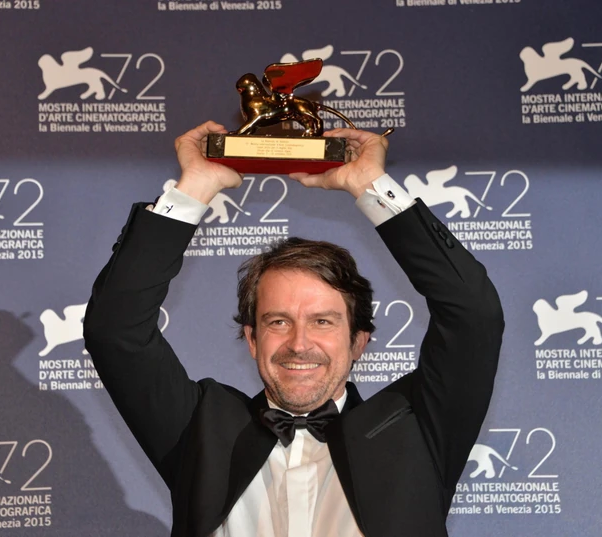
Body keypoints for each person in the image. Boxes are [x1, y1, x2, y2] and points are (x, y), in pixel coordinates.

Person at [83, 121, 504, 537]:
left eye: (322, 321)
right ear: (252, 339)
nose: (299, 344)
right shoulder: (202, 429)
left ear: (359, 341)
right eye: (278, 321)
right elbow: (115, 328)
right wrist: (194, 187)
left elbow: (472, 314)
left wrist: (370, 184)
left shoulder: (417, 428)